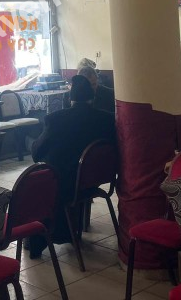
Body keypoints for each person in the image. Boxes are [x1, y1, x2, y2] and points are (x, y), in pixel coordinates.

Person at [28, 74, 116, 257]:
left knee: (34, 182)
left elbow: (36, 154)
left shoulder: (56, 119)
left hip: (65, 184)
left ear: (70, 99)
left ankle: (36, 241)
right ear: (92, 97)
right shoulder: (107, 119)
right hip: (93, 180)